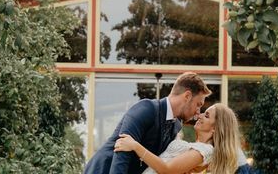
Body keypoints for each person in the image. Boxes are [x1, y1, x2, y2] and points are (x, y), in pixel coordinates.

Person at [83, 72, 211, 174]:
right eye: (198, 105)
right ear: (187, 96)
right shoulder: (146, 108)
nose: (197, 112)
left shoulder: (176, 126)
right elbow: (122, 150)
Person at [113, 103, 240, 174]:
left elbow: (167, 170)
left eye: (206, 116)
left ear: (215, 129)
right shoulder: (196, 146)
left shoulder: (206, 150)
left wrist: (135, 146)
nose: (200, 115)